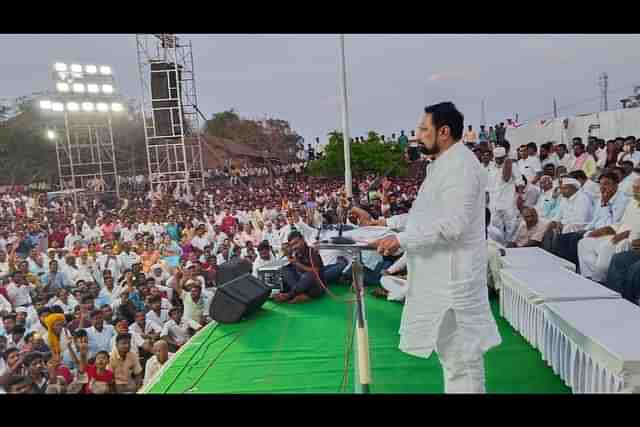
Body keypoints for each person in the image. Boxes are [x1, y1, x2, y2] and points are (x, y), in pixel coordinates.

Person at [362, 102, 501, 393]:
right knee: (453, 359)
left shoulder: (461, 167)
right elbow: (425, 216)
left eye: (425, 129)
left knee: (463, 360)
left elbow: (453, 225)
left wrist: (400, 240)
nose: (418, 134)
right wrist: (386, 222)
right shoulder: (443, 165)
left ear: (444, 132)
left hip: (455, 280)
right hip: (441, 279)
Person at [578, 176, 640, 282]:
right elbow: (621, 223)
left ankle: (599, 280)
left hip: (631, 239)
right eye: (634, 188)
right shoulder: (633, 202)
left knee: (607, 246)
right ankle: (589, 277)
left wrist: (627, 234)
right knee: (585, 242)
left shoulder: (624, 200)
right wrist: (607, 229)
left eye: (637, 188)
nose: (634, 191)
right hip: (617, 233)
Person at [273, 231, 325, 304]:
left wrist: (297, 263)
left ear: (303, 240)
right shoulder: (296, 253)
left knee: (310, 274)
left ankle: (289, 295)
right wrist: (288, 255)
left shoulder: (312, 251)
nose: (295, 246)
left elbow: (315, 272)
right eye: (292, 245)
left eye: (296, 243)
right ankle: (301, 294)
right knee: (284, 269)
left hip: (315, 284)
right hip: (302, 283)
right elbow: (296, 271)